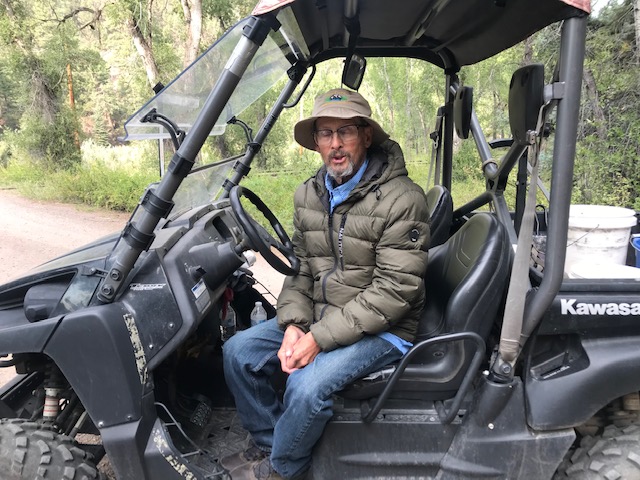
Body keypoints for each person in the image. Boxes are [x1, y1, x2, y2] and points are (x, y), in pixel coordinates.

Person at [222, 88, 430, 480]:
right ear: (315, 141)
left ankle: (283, 468)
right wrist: (294, 325)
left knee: (305, 386)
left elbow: (394, 291)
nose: (335, 144)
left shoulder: (402, 199)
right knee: (238, 352)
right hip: (323, 315)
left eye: (345, 132)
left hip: (386, 328)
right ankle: (273, 442)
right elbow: (300, 269)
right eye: (325, 133)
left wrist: (316, 338)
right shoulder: (309, 194)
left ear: (365, 136)